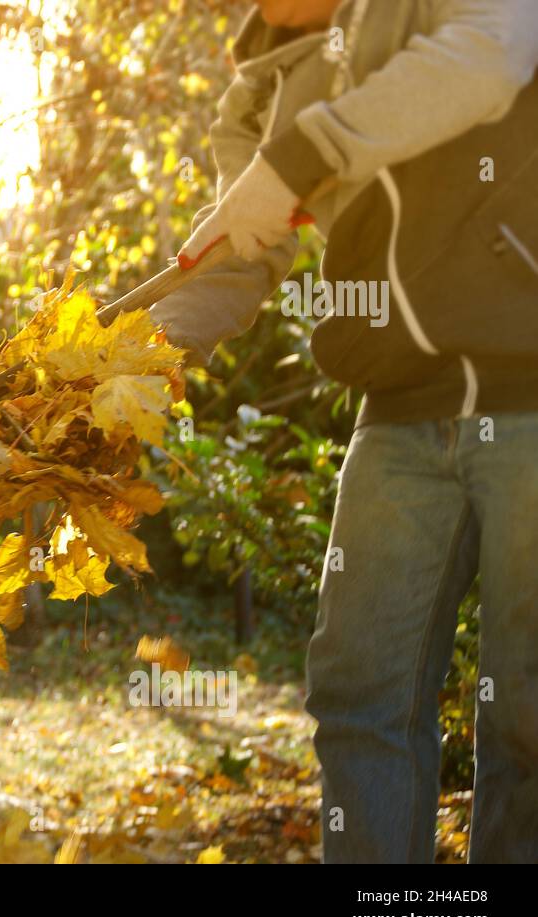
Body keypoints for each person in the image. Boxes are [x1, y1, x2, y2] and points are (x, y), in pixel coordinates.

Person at [151, 0, 538, 862]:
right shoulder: (255, 95)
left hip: (531, 397)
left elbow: (493, 50)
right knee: (361, 700)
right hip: (397, 410)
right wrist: (135, 358)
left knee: (528, 713)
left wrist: (303, 155)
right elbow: (240, 254)